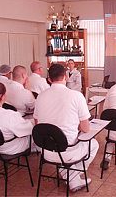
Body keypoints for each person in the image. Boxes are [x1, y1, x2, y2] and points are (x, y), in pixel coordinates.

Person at [33, 63, 99, 193]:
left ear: (49, 79)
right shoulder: (76, 96)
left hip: (46, 151)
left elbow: (37, 124)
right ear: (65, 77)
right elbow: (85, 129)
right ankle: (73, 176)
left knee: (60, 142)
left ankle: (70, 176)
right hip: (67, 151)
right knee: (94, 144)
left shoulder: (40, 96)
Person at [0, 82, 33, 155]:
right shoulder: (9, 115)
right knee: (35, 134)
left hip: (2, 146)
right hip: (9, 148)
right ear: (2, 97)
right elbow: (28, 129)